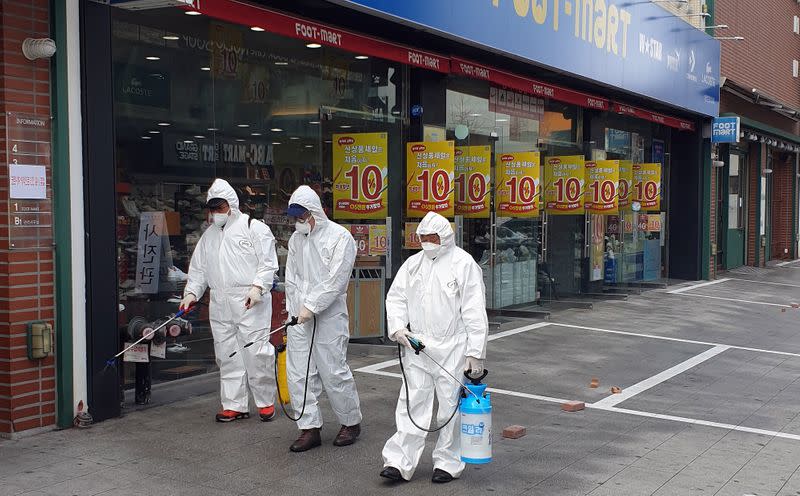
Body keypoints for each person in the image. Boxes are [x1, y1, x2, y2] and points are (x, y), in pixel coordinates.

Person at [380, 211, 489, 484]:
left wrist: (475, 352)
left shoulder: (464, 264)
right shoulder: (413, 264)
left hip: (452, 346)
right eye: (423, 237)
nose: (427, 242)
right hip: (417, 344)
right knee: (411, 402)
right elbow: (396, 298)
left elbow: (475, 310)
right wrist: (398, 329)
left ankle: (448, 462)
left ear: (445, 237)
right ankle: (399, 461)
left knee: (449, 406)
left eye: (433, 237)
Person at [180, 178, 279, 423]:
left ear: (232, 204)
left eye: (220, 207)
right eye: (212, 208)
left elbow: (268, 264)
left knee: (256, 352)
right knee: (227, 354)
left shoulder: (253, 228)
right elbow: (199, 270)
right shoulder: (209, 236)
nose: (216, 213)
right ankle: (234, 404)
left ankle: (265, 402)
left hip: (249, 300)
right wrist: (191, 293)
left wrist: (258, 288)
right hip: (220, 301)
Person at [284, 185, 362, 452]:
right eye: (295, 218)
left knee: (333, 370)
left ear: (315, 211)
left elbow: (336, 280)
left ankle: (350, 421)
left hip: (329, 316)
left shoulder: (340, 238)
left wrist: (311, 306)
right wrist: (295, 310)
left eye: (302, 216)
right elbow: (291, 278)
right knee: (298, 373)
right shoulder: (296, 240)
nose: (299, 222)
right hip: (299, 317)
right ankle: (309, 427)